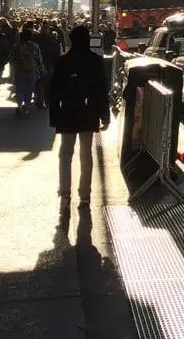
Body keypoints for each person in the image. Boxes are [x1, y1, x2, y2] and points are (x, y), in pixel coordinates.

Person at [49, 26, 110, 213]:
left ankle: (65, 194)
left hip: (66, 112)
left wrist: (54, 117)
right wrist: (104, 115)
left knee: (65, 153)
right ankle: (85, 196)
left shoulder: (62, 62)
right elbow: (102, 90)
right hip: (88, 111)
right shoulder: (95, 61)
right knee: (86, 154)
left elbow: (53, 92)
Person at [12, 27, 44, 115]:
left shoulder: (17, 46)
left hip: (19, 70)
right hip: (31, 70)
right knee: (29, 89)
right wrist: (41, 69)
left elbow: (12, 58)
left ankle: (19, 106)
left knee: (20, 88)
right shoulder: (35, 46)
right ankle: (26, 106)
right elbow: (39, 59)